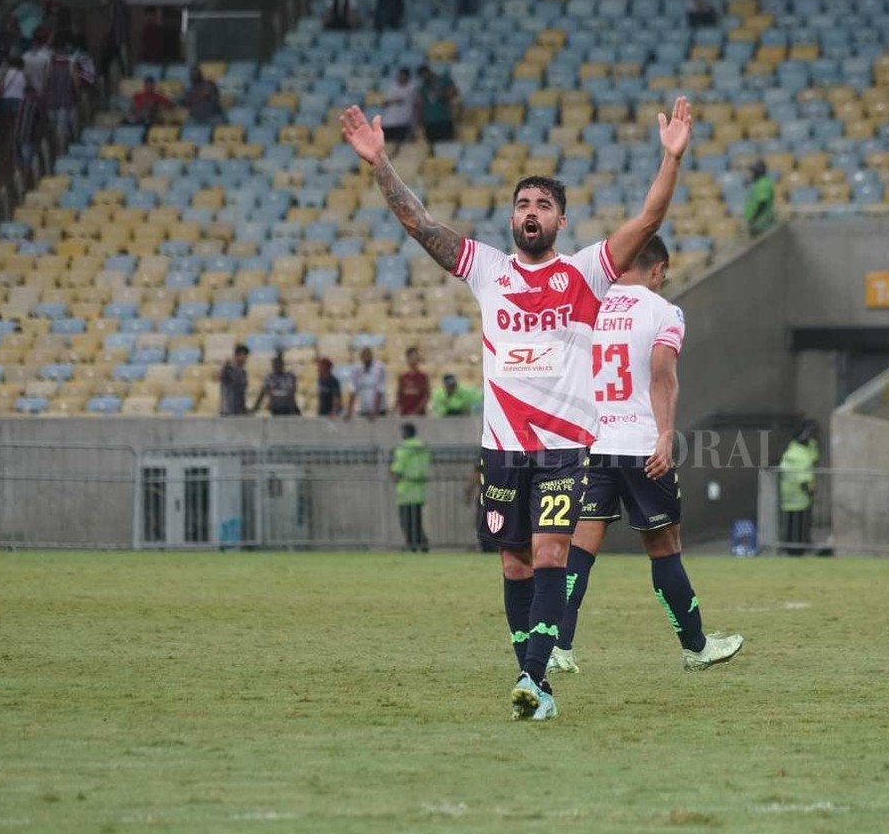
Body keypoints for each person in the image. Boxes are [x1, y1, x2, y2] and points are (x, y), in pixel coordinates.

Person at [339, 90, 693, 721]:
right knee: (514, 560)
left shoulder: (585, 273)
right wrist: (379, 165)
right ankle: (530, 673)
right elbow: (422, 225)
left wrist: (670, 160)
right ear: (513, 218)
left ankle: (535, 682)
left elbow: (646, 221)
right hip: (501, 449)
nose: (532, 212)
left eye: (544, 205)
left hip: (563, 450)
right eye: (523, 204)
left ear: (561, 220)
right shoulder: (488, 269)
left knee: (553, 553)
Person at [551, 234, 743, 675]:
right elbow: (662, 376)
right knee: (663, 547)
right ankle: (696, 647)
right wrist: (665, 435)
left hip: (590, 444)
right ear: (658, 268)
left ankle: (559, 647)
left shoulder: (588, 305)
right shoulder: (663, 311)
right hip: (640, 446)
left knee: (578, 548)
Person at [778, 420, 821, 555]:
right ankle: (797, 549)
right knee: (799, 525)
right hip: (800, 496)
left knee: (790, 524)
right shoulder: (802, 455)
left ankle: (791, 547)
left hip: (787, 494)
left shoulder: (791, 449)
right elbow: (804, 477)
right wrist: (811, 490)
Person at [391, 422, 431, 552]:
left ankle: (412, 545)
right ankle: (421, 543)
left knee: (406, 521)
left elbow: (398, 468)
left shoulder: (403, 448)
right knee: (417, 521)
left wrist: (393, 475)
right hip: (419, 490)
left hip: (406, 490)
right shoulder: (423, 447)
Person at [43, 35, 80, 141]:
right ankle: (62, 153)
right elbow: (76, 83)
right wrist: (77, 96)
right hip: (66, 101)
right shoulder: (71, 63)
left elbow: (45, 82)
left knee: (54, 131)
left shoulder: (49, 63)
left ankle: (55, 153)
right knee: (62, 133)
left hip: (51, 102)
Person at [100, 0, 131, 82]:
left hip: (118, 41)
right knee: (120, 68)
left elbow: (112, 23)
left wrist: (107, 35)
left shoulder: (116, 4)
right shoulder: (118, 4)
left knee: (122, 68)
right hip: (116, 41)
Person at [418, 65, 458, 144]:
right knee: (432, 145)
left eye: (425, 75)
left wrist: (441, 94)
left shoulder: (443, 80)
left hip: (444, 119)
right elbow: (421, 104)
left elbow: (453, 92)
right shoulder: (423, 87)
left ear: (429, 72)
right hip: (429, 122)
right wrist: (421, 121)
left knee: (446, 144)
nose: (424, 78)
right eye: (422, 76)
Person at [378, 68, 418, 143]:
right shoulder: (392, 87)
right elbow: (384, 103)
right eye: (399, 75)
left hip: (403, 122)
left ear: (407, 77)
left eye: (402, 76)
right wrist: (393, 101)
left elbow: (416, 104)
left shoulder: (412, 88)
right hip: (388, 123)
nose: (400, 77)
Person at [346, 346, 386, 418]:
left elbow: (380, 390)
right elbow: (353, 390)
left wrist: (374, 411)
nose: (366, 358)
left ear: (372, 356)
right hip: (364, 410)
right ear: (361, 358)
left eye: (368, 356)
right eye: (364, 356)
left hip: (378, 411)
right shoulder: (356, 369)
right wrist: (349, 411)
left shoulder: (379, 368)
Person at [396, 345, 429, 415]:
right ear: (407, 359)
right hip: (405, 413)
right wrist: (397, 408)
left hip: (419, 414)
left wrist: (417, 411)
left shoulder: (423, 376)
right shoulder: (403, 377)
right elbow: (399, 395)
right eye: (412, 357)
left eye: (416, 358)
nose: (414, 360)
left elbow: (426, 395)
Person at [744, 160, 776, 236]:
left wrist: (754, 219)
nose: (750, 174)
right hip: (757, 222)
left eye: (752, 171)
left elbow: (762, 204)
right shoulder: (758, 183)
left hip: (761, 223)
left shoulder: (763, 184)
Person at [219, 344, 249, 416]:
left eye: (246, 356)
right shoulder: (229, 369)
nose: (245, 359)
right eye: (243, 355)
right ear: (237, 355)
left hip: (239, 411)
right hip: (228, 410)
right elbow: (222, 376)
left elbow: (242, 392)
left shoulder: (243, 372)